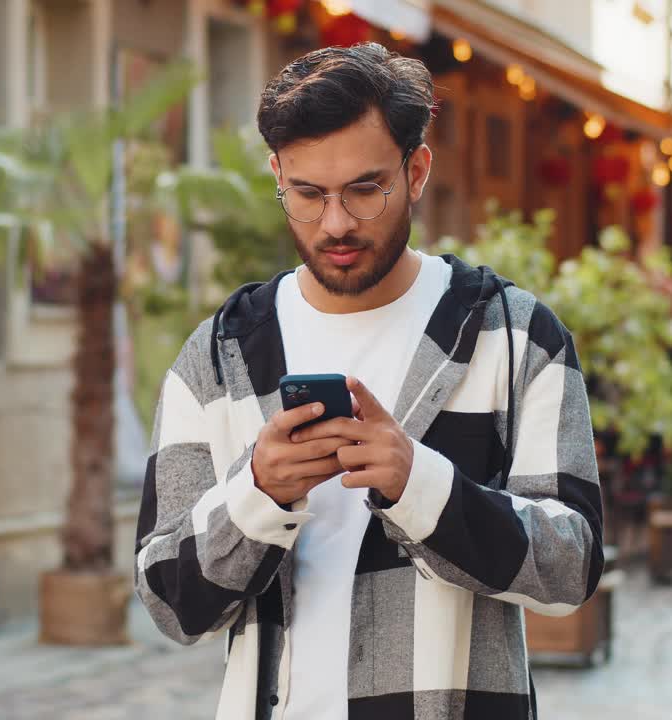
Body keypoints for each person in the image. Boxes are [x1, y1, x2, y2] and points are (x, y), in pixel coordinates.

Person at [134, 43, 603, 720]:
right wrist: (258, 492)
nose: (336, 223)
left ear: (417, 171)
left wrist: (421, 485)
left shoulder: (515, 336)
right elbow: (169, 603)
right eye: (306, 194)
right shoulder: (220, 354)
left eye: (364, 188)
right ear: (277, 175)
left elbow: (572, 568)